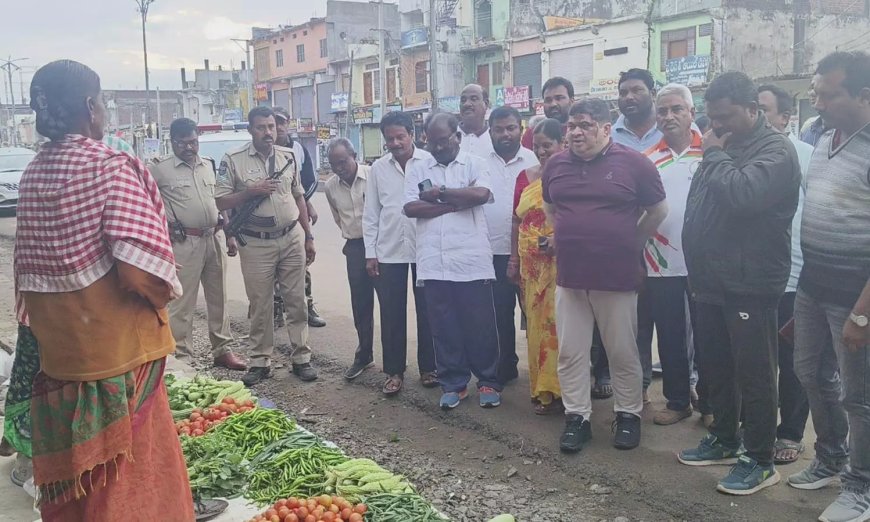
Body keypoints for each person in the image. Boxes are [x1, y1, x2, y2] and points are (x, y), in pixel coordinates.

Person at [14, 59, 193, 520]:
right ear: (91, 107)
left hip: (61, 360)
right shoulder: (108, 166)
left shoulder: (34, 172)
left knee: (74, 477)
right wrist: (160, 300)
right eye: (104, 104)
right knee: (129, 480)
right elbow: (144, 272)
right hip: (116, 361)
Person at [678, 72, 801, 496]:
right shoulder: (727, 144)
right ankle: (726, 438)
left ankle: (760, 459)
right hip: (711, 280)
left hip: (749, 282)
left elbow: (744, 196)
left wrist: (713, 156)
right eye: (712, 119)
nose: (717, 127)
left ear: (754, 110)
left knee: (755, 373)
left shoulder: (774, 150)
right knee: (717, 366)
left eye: (726, 118)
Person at [542, 98, 668, 453]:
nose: (576, 132)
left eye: (585, 125)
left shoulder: (634, 164)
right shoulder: (556, 166)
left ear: (605, 129)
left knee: (622, 350)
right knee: (571, 352)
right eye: (571, 126)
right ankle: (577, 417)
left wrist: (632, 242)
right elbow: (552, 210)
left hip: (617, 277)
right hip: (570, 277)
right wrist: (572, 237)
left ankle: (628, 415)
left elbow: (658, 210)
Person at [788, 51, 870, 522]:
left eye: (828, 94)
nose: (817, 102)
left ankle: (861, 486)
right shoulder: (823, 138)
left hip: (855, 297)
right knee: (810, 374)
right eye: (815, 92)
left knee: (858, 397)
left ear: (863, 95)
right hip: (813, 287)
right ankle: (831, 457)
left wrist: (862, 314)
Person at [403, 112, 502, 410]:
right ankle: (454, 383)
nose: (437, 146)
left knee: (480, 324)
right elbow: (410, 207)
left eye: (443, 140)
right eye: (431, 141)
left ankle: (487, 381)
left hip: (471, 259)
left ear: (457, 136)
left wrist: (440, 193)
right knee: (443, 326)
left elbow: (481, 194)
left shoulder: (476, 163)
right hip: (434, 261)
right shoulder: (417, 167)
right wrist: (453, 205)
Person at [215, 106, 318, 386]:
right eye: (261, 127)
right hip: (257, 244)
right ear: (251, 130)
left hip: (290, 237)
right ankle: (260, 361)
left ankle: (301, 358)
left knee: (296, 301)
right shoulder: (233, 159)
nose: (268, 132)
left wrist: (308, 236)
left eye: (271, 127)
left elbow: (299, 197)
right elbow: (220, 200)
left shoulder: (289, 157)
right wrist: (250, 192)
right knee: (260, 304)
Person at [150, 118, 246, 370]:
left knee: (219, 298)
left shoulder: (208, 166)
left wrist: (229, 234)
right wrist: (163, 229)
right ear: (172, 142)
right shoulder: (159, 170)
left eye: (193, 142)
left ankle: (222, 349)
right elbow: (147, 205)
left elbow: (219, 202)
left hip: (212, 237)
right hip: (184, 243)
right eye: (182, 143)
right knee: (182, 302)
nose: (189, 148)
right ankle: (181, 357)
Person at [757, 84, 814, 465]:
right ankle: (755, 427)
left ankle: (791, 431)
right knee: (758, 360)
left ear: (784, 117)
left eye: (763, 110)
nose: (756, 117)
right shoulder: (741, 156)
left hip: (796, 276)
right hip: (753, 278)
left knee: (796, 362)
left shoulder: (809, 156)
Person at [363, 111, 438, 393]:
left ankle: (430, 368)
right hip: (390, 250)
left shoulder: (429, 162)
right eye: (389, 139)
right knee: (392, 313)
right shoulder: (378, 169)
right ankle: (394, 372)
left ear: (412, 135)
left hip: (425, 249)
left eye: (400, 137)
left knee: (428, 310)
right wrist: (371, 253)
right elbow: (371, 214)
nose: (395, 143)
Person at [640, 83, 701, 426]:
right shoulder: (648, 160)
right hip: (659, 262)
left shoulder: (713, 151)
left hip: (704, 263)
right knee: (670, 333)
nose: (669, 116)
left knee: (708, 337)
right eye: (662, 111)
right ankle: (678, 400)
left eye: (677, 109)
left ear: (691, 112)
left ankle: (709, 400)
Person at [612, 68, 665, 404]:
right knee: (636, 320)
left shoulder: (673, 129)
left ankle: (684, 386)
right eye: (623, 92)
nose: (629, 97)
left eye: (636, 90)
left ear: (652, 92)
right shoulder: (611, 136)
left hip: (672, 244)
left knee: (678, 322)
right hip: (627, 244)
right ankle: (640, 385)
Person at [508, 118, 565, 414]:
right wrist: (514, 260)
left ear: (562, 144)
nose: (542, 152)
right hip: (531, 269)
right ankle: (542, 391)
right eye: (537, 146)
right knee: (535, 328)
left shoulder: (573, 173)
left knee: (559, 327)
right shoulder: (525, 177)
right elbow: (516, 219)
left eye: (548, 145)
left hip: (562, 265)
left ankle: (562, 390)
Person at [485, 106, 539, 383]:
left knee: (536, 313)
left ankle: (540, 373)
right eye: (499, 129)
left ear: (521, 128)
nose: (505, 134)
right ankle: (505, 367)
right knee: (500, 314)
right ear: (490, 131)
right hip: (494, 251)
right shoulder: (479, 161)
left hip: (533, 253)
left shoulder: (534, 159)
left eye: (511, 128)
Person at [323, 139, 376, 383]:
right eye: (334, 164)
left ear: (354, 155)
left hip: (382, 247)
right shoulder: (331, 186)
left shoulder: (373, 176)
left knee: (390, 305)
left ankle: (395, 364)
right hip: (355, 247)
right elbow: (338, 217)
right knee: (360, 304)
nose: (339, 168)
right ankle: (364, 354)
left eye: (343, 161)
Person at [273, 107, 326, 328]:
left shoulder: (298, 149)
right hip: (270, 218)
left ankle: (307, 306)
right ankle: (275, 311)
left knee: (302, 262)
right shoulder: (260, 151)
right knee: (271, 268)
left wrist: (305, 203)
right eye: (272, 123)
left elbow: (309, 181)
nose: (277, 128)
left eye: (281, 122)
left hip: (296, 215)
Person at [521, 77, 575, 148]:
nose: (553, 104)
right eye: (548, 100)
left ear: (571, 101)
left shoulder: (581, 131)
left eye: (559, 98)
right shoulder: (533, 133)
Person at [458, 84, 495, 158]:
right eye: (463, 100)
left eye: (474, 99)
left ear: (486, 104)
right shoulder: (450, 136)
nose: (467, 104)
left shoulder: (495, 138)